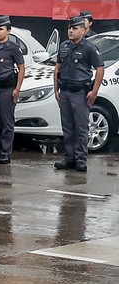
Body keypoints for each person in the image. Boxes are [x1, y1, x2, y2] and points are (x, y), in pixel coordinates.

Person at [53, 15, 104, 172]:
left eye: (75, 28)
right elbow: (57, 68)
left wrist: (94, 91)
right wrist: (56, 90)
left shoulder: (89, 47)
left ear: (83, 30)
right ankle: (69, 158)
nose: (71, 31)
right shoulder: (64, 46)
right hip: (65, 92)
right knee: (67, 127)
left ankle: (81, 159)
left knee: (81, 127)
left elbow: (100, 69)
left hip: (80, 93)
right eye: (69, 28)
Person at [0, 16, 25, 164]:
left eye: (1, 29)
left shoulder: (13, 48)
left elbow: (21, 68)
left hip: (7, 88)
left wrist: (17, 89)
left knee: (7, 122)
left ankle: (5, 152)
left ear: (8, 31)